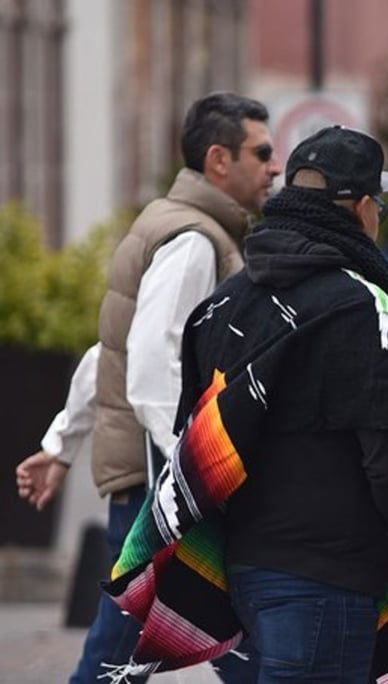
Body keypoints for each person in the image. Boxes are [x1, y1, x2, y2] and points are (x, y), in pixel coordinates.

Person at [107, 125, 388, 682]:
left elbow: (195, 438)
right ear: (363, 208)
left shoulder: (224, 303)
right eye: (381, 210)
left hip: (244, 572)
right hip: (331, 575)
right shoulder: (362, 308)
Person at [14, 91, 280, 683]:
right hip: (162, 487)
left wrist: (62, 443)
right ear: (219, 159)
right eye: (261, 152)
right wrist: (189, 465)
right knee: (168, 643)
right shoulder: (193, 242)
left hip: (154, 485)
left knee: (208, 638)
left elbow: (113, 348)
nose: (274, 166)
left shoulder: (178, 226)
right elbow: (147, 364)